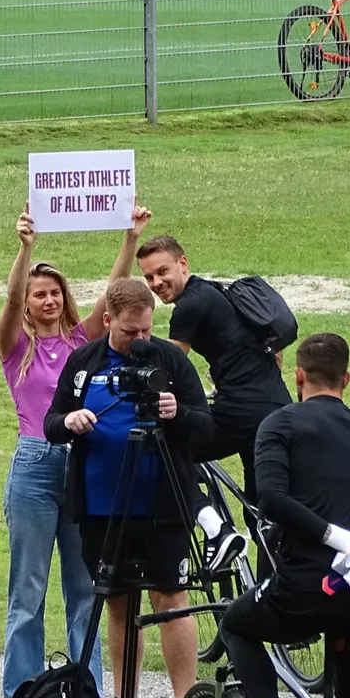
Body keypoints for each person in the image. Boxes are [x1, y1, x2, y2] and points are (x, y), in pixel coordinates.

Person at [44, 277, 213, 698]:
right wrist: (70, 421)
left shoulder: (171, 360)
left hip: (162, 505)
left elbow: (206, 428)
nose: (141, 340)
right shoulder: (84, 363)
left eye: (146, 331)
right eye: (130, 332)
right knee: (118, 603)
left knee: (171, 599)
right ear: (107, 321)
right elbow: (51, 423)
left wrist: (176, 412)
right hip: (101, 507)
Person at [0, 203, 153, 698]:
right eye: (37, 294)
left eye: (53, 292)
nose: (45, 299)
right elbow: (11, 295)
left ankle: (86, 692)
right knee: (29, 588)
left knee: (85, 587)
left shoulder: (79, 343)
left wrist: (130, 240)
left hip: (82, 466)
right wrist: (26, 249)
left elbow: (114, 295)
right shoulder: (15, 347)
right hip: (36, 465)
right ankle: (22, 695)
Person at [221, 333, 350, 698]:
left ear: (297, 376)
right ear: (347, 379)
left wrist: (333, 537)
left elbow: (272, 499)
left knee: (236, 624)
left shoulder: (280, 424)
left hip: (307, 586)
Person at [137, 234, 290, 572]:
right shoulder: (215, 291)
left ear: (183, 264)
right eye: (148, 277)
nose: (157, 283)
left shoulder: (190, 305)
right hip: (277, 408)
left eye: (162, 272)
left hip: (240, 414)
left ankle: (215, 528)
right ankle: (273, 594)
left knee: (163, 451)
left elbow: (169, 367)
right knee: (265, 517)